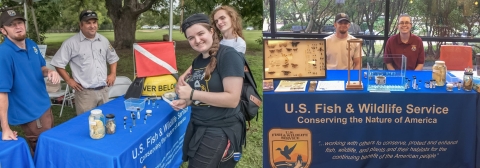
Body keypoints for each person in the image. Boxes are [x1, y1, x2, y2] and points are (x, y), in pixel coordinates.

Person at [172, 13, 246, 168]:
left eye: (200, 34)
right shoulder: (198, 60)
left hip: (219, 130)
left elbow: (232, 100)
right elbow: (203, 91)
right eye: (191, 38)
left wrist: (192, 94)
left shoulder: (229, 55)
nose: (197, 40)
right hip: (199, 125)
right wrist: (187, 102)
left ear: (211, 31)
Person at [0, 9, 60, 152]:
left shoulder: (31, 44)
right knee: (44, 152)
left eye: (20, 22)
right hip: (30, 113)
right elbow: (2, 92)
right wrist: (5, 128)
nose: (18, 27)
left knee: (53, 145)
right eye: (12, 25)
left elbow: (40, 67)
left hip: (44, 104)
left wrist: (50, 71)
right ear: (3, 31)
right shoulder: (4, 54)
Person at [50, 9, 119, 115]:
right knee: (87, 124)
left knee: (106, 120)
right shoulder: (71, 43)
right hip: (85, 94)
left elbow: (113, 58)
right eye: (88, 23)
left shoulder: (103, 40)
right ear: (81, 25)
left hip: (104, 90)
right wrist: (68, 80)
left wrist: (113, 73)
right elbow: (58, 63)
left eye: (94, 22)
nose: (92, 26)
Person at [178, 5, 245, 83]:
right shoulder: (218, 40)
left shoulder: (239, 44)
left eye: (222, 18)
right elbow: (204, 60)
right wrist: (185, 74)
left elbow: (232, 66)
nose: (219, 22)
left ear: (232, 18)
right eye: (216, 21)